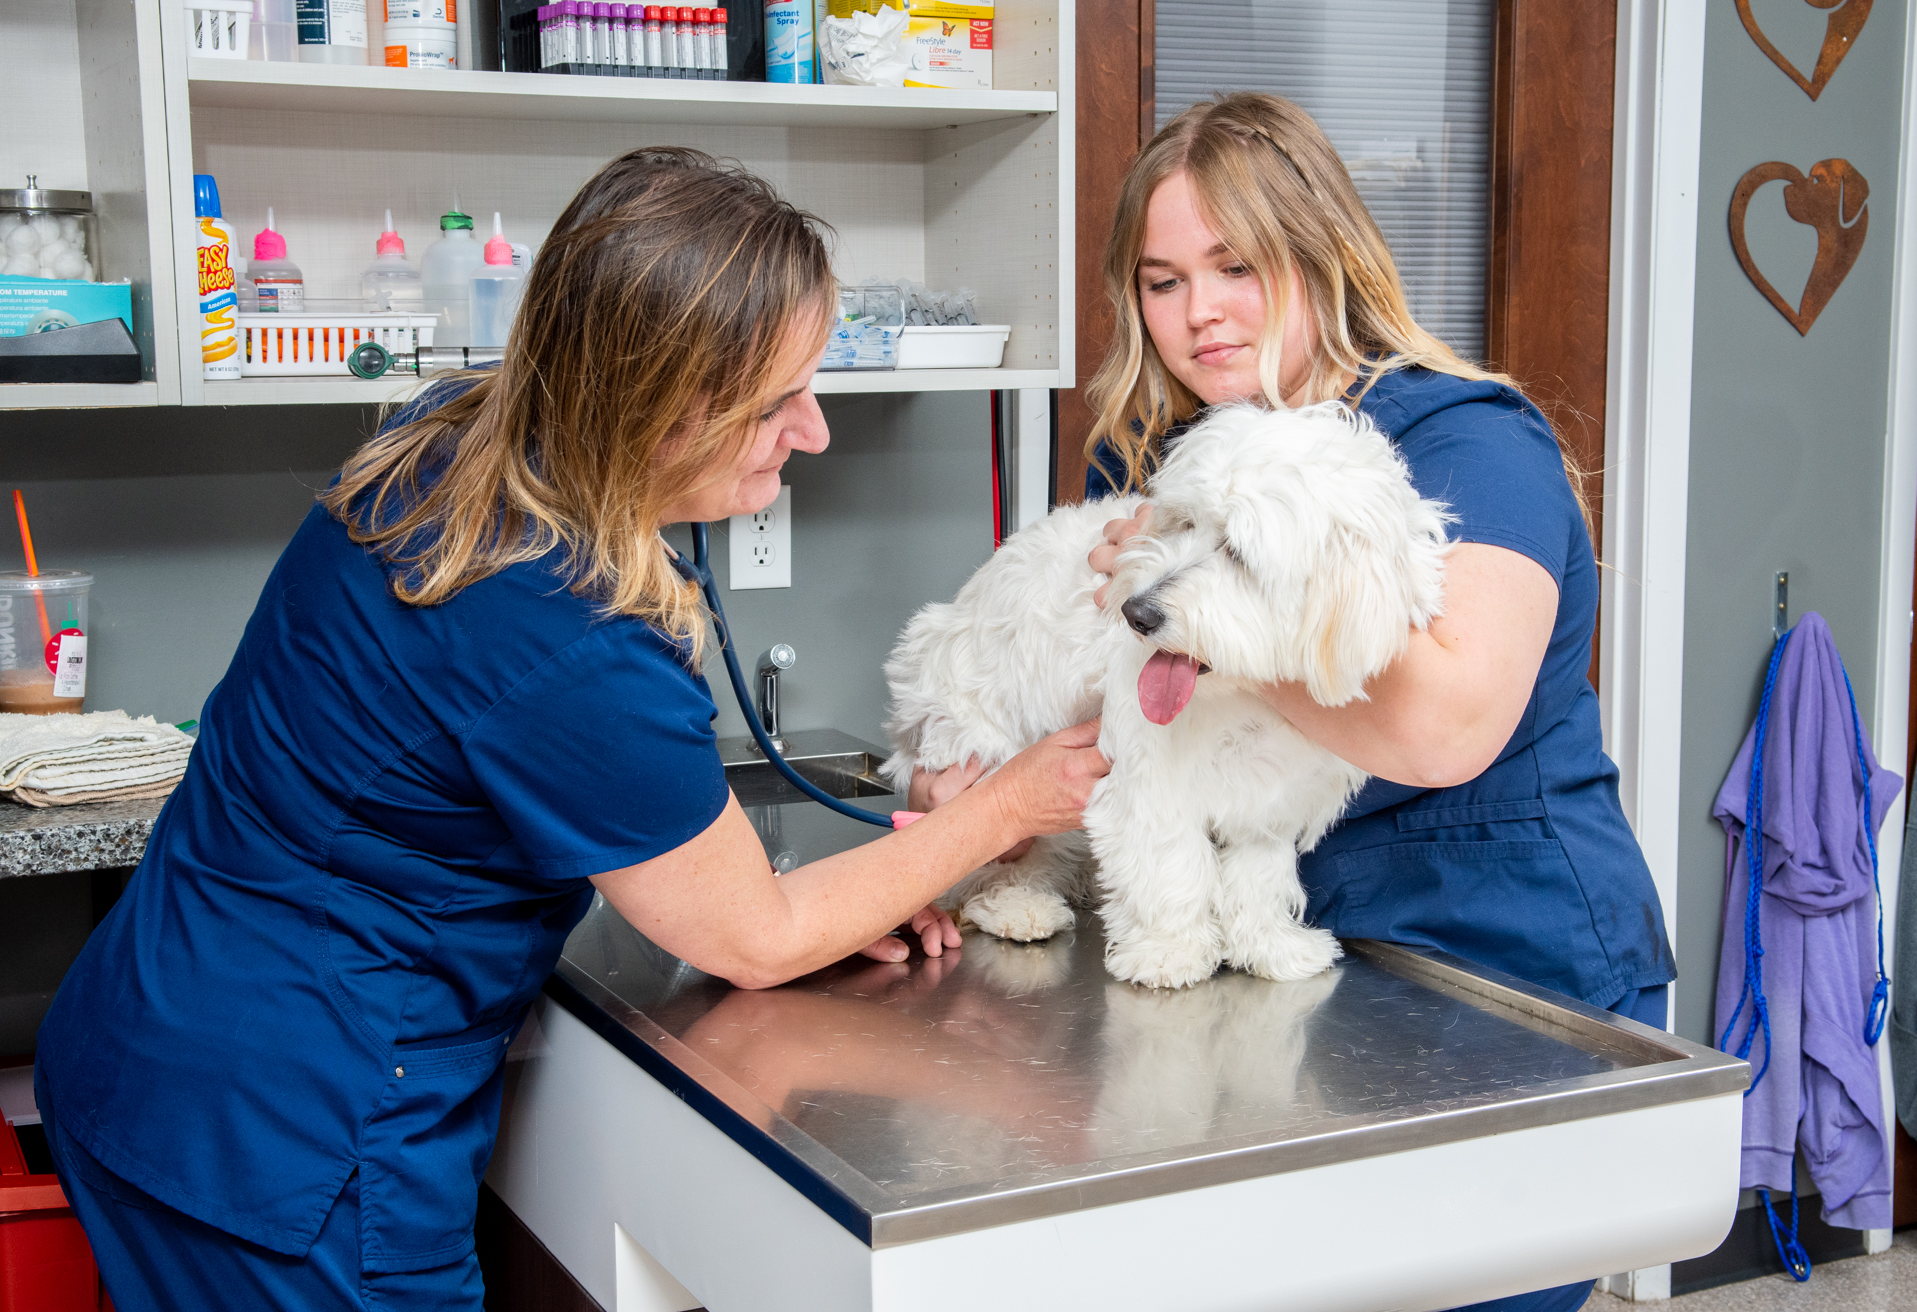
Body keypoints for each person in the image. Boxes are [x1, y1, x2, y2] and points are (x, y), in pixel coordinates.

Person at [32, 147, 1107, 1312]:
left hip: (148, 1040)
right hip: (281, 1144)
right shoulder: (565, 623)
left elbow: (709, 890)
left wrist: (849, 899)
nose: (812, 432)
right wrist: (1007, 805)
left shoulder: (454, 436)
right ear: (656, 403)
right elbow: (750, 935)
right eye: (775, 403)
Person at [914, 93, 1675, 1312]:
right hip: (1270, 983)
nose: (1198, 313)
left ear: (1319, 252)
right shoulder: (1159, 455)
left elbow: (1444, 725)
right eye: (1161, 281)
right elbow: (1122, 713)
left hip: (1491, 965)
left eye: (1236, 266)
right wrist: (971, 801)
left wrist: (1211, 616)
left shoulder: (1469, 444)